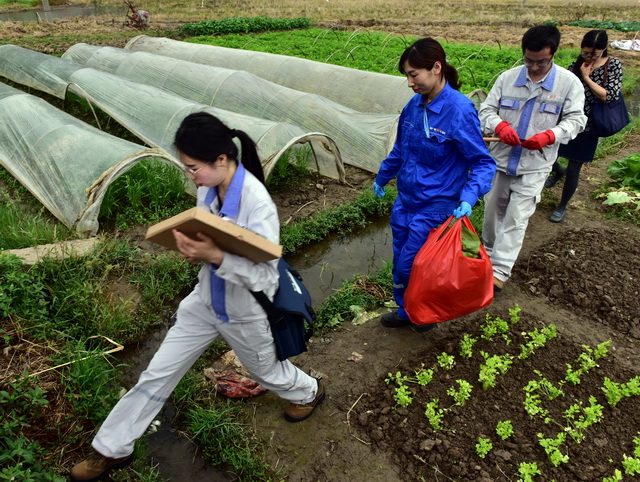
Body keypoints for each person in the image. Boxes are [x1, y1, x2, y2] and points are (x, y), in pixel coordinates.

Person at [70, 112, 325, 481]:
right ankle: (111, 450)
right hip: (204, 302)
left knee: (267, 373)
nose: (191, 176)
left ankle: (309, 391)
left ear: (221, 160)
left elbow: (265, 275)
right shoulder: (209, 188)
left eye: (193, 168)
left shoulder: (258, 205)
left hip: (245, 311)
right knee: (156, 374)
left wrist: (215, 256)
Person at [372, 38, 496, 332]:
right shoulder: (413, 107)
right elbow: (401, 149)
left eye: (414, 74)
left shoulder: (459, 110)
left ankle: (423, 312)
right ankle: (407, 310)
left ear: (437, 68)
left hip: (435, 208)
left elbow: (482, 162)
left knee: (414, 267)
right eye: (407, 75)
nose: (409, 82)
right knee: (400, 265)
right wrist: (382, 175)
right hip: (406, 203)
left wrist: (469, 196)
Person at [479, 25, 587, 292]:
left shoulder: (568, 83)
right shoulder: (507, 79)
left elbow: (577, 120)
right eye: (530, 60)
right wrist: (500, 126)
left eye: (542, 62)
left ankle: (499, 271)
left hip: (535, 165)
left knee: (516, 217)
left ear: (553, 55)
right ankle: (485, 259)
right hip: (501, 160)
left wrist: (551, 135)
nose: (535, 67)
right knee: (492, 213)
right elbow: (487, 110)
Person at [544, 29, 623, 222]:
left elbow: (607, 95)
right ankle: (558, 170)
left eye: (594, 54)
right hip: (567, 119)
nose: (588, 56)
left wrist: (586, 77)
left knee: (574, 168)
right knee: (548, 152)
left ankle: (562, 206)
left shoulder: (613, 66)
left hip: (589, 125)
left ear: (604, 49)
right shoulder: (575, 64)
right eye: (585, 52)